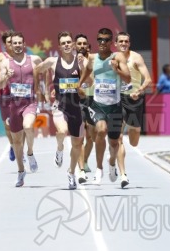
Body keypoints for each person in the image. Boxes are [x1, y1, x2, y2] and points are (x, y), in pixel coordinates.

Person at [78, 28, 131, 186]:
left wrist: (117, 70)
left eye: (106, 40)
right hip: (98, 105)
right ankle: (99, 169)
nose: (102, 42)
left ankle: (112, 163)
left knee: (114, 142)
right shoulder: (93, 59)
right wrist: (79, 85)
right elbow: (87, 70)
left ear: (110, 42)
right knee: (100, 131)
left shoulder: (118, 57)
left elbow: (128, 79)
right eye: (100, 39)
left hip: (114, 106)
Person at [36, 31, 87, 189]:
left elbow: (90, 81)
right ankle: (59, 149)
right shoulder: (52, 61)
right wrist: (42, 90)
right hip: (60, 106)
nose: (66, 45)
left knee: (77, 144)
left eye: (68, 42)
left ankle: (71, 172)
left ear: (73, 44)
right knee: (62, 131)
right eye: (63, 42)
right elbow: (36, 70)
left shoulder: (80, 62)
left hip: (76, 107)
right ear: (59, 46)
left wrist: (83, 81)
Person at [0, 32, 42, 187]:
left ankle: (30, 152)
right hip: (13, 105)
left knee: (28, 126)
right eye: (14, 43)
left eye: (19, 43)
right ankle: (21, 171)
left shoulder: (34, 60)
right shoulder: (5, 63)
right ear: (11, 45)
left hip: (29, 102)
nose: (17, 45)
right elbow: (1, 85)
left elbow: (46, 72)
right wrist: (5, 77)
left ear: (24, 45)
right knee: (16, 142)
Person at [116, 32, 152, 188]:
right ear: (116, 44)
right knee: (117, 138)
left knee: (134, 140)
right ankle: (123, 175)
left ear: (129, 43)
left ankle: (134, 130)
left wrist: (140, 90)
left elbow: (148, 79)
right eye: (121, 41)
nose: (123, 43)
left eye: (126, 41)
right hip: (117, 100)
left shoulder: (136, 58)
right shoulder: (112, 59)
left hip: (134, 99)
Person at [0, 30, 16, 161]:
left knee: (22, 124)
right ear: (5, 45)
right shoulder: (1, 56)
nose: (12, 45)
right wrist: (4, 67)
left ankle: (20, 148)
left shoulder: (21, 55)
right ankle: (12, 145)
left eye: (14, 42)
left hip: (21, 94)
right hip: (6, 94)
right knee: (7, 125)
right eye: (9, 43)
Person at [75, 34, 95, 183]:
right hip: (76, 101)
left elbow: (91, 81)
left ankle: (85, 160)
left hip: (93, 99)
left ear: (88, 47)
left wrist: (83, 67)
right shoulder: (70, 61)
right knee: (80, 136)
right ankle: (81, 169)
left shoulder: (92, 61)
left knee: (91, 137)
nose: (82, 46)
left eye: (84, 44)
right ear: (75, 46)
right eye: (79, 43)